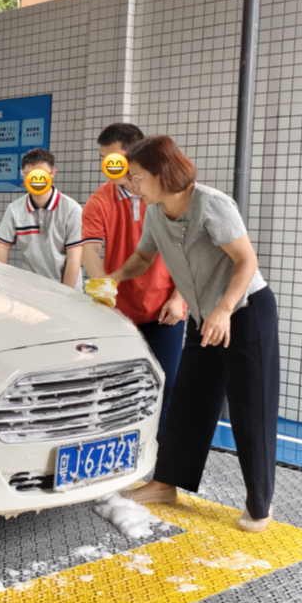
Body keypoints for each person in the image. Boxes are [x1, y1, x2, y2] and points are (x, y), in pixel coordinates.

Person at [103, 135, 279, 533]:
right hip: (205, 317)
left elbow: (246, 260)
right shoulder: (154, 210)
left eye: (137, 177)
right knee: (189, 400)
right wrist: (112, 279)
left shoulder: (212, 204)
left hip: (244, 312)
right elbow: (143, 257)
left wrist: (223, 309)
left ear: (162, 173)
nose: (132, 184)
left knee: (251, 409)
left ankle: (260, 504)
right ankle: (166, 484)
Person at [81, 124, 186, 438]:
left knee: (164, 386)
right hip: (118, 312)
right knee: (116, 389)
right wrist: (103, 287)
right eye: (104, 159)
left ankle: (158, 457)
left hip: (164, 311)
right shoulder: (100, 200)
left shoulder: (165, 196)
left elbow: (188, 252)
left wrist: (178, 298)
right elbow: (90, 249)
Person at [0, 148, 84, 292]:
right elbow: (2, 248)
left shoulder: (71, 209)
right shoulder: (14, 209)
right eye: (29, 174)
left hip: (67, 290)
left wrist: (65, 296)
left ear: (52, 174)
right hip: (31, 290)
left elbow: (74, 258)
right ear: (23, 175)